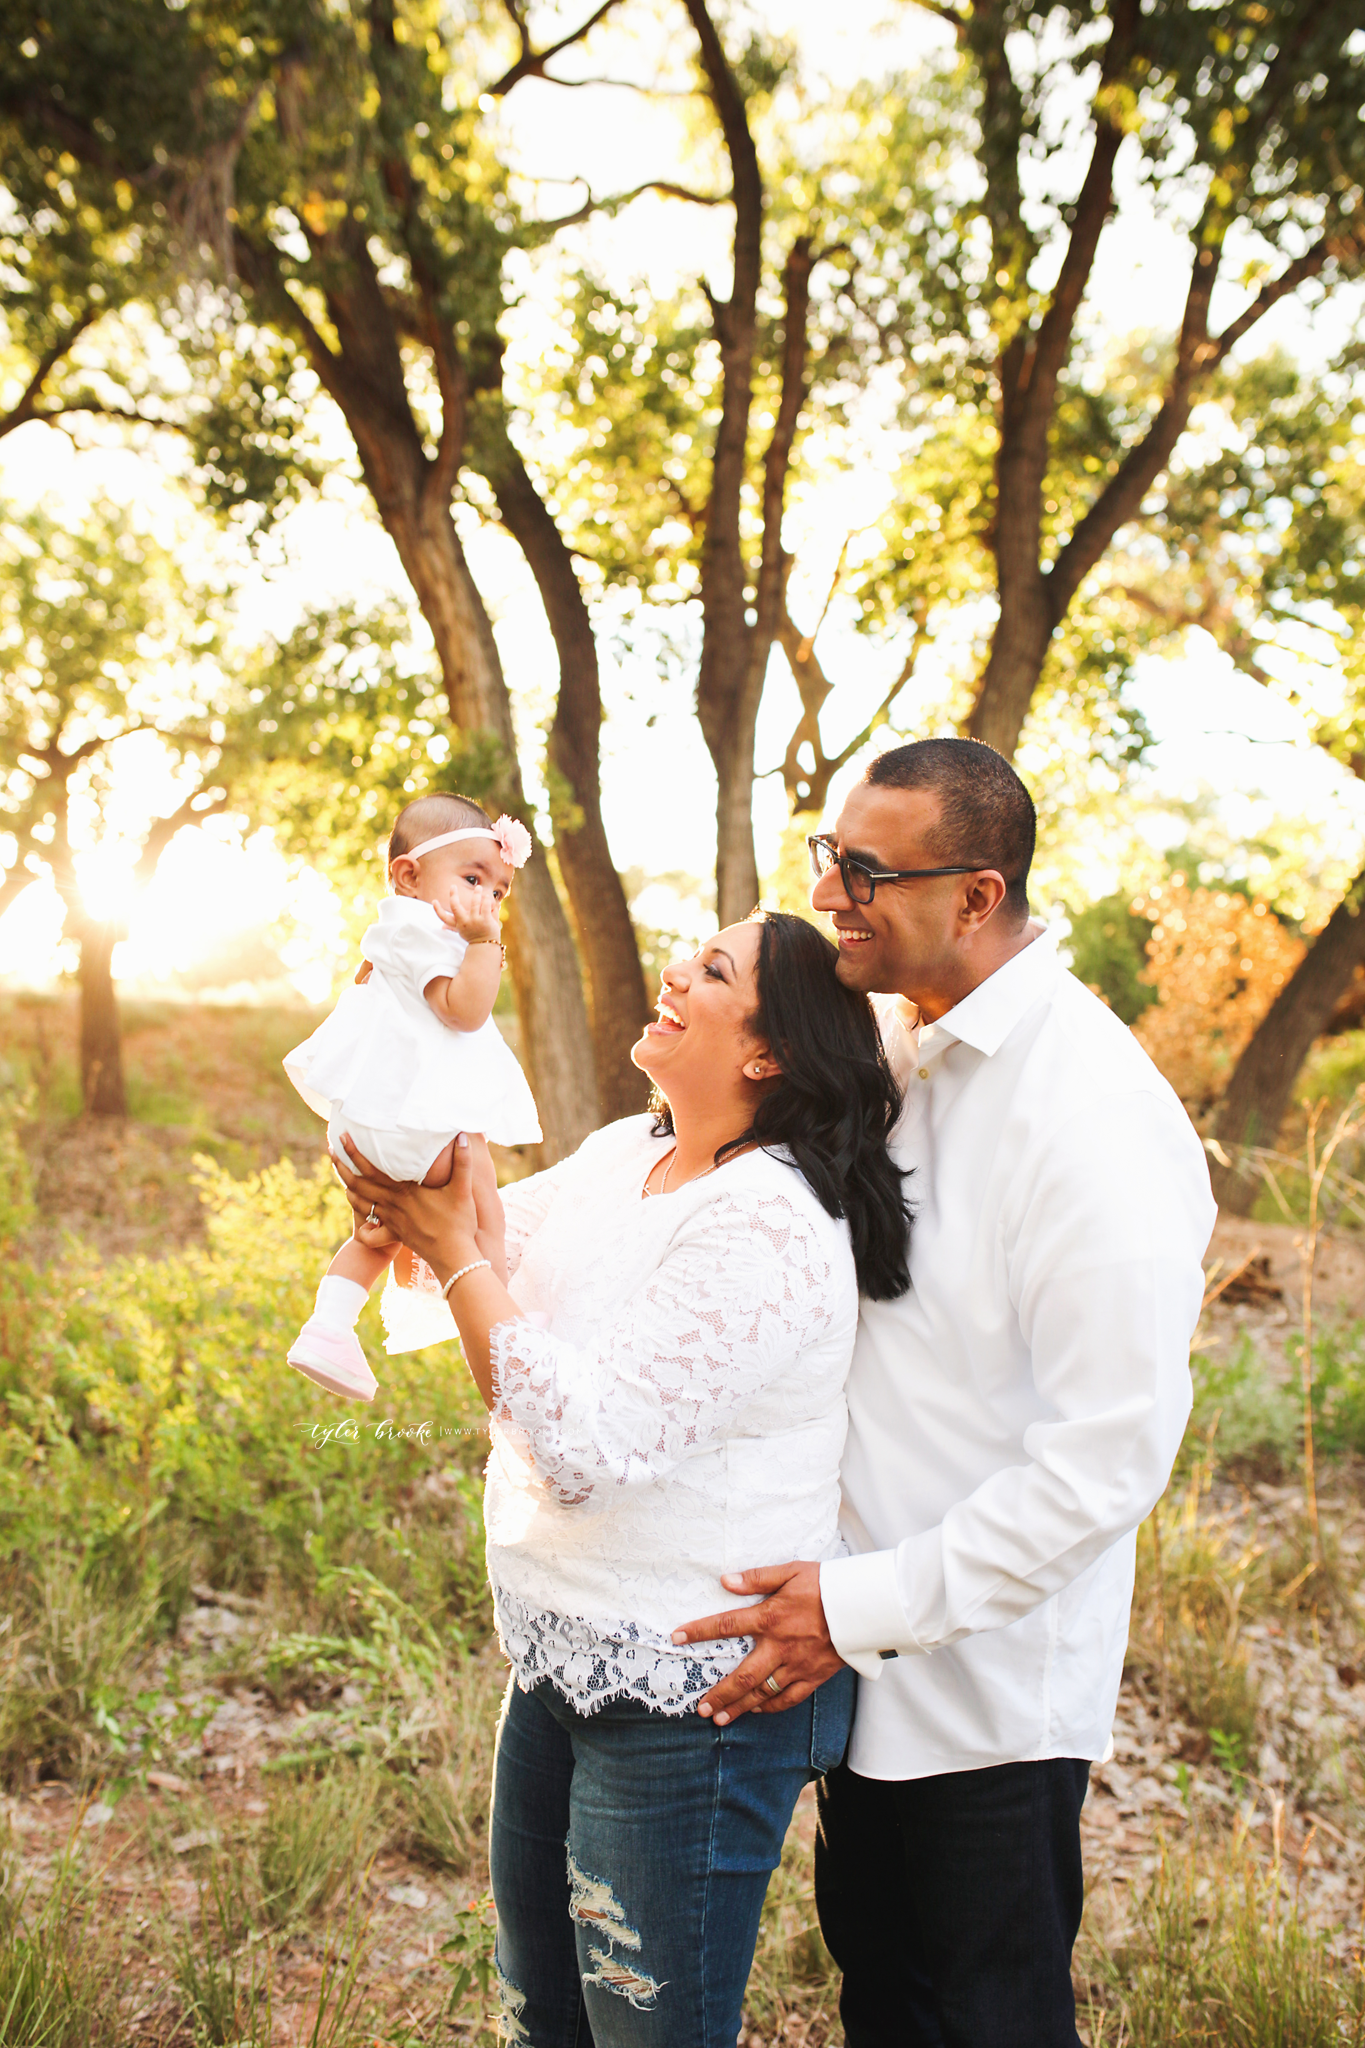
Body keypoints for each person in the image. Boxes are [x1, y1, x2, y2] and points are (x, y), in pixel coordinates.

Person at [672, 739, 1217, 2048]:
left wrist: (853, 1607)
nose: (831, 893)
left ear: (975, 897)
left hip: (979, 1692)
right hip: (856, 1663)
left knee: (986, 2022)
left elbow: (1106, 1460)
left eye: (865, 871)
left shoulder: (1088, 1111)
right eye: (826, 857)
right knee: (888, 2006)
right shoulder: (897, 1047)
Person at [333, 910, 912, 2048]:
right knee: (541, 2012)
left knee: (647, 2031)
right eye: (688, 952)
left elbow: (585, 1444)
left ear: (768, 1051)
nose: (675, 971)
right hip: (561, 1651)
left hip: (691, 1694)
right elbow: (468, 1260)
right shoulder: (623, 1155)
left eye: (714, 969)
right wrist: (405, 1102)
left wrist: (454, 1247)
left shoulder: (770, 1224)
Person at [281, 792, 541, 1403]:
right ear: (408, 875)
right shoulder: (427, 931)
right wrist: (486, 943)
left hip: (367, 1122)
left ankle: (329, 1327)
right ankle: (510, 1333)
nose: (486, 901)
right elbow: (465, 1011)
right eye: (473, 878)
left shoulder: (393, 933)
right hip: (418, 1123)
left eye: (498, 891)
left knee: (377, 1234)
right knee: (486, 1221)